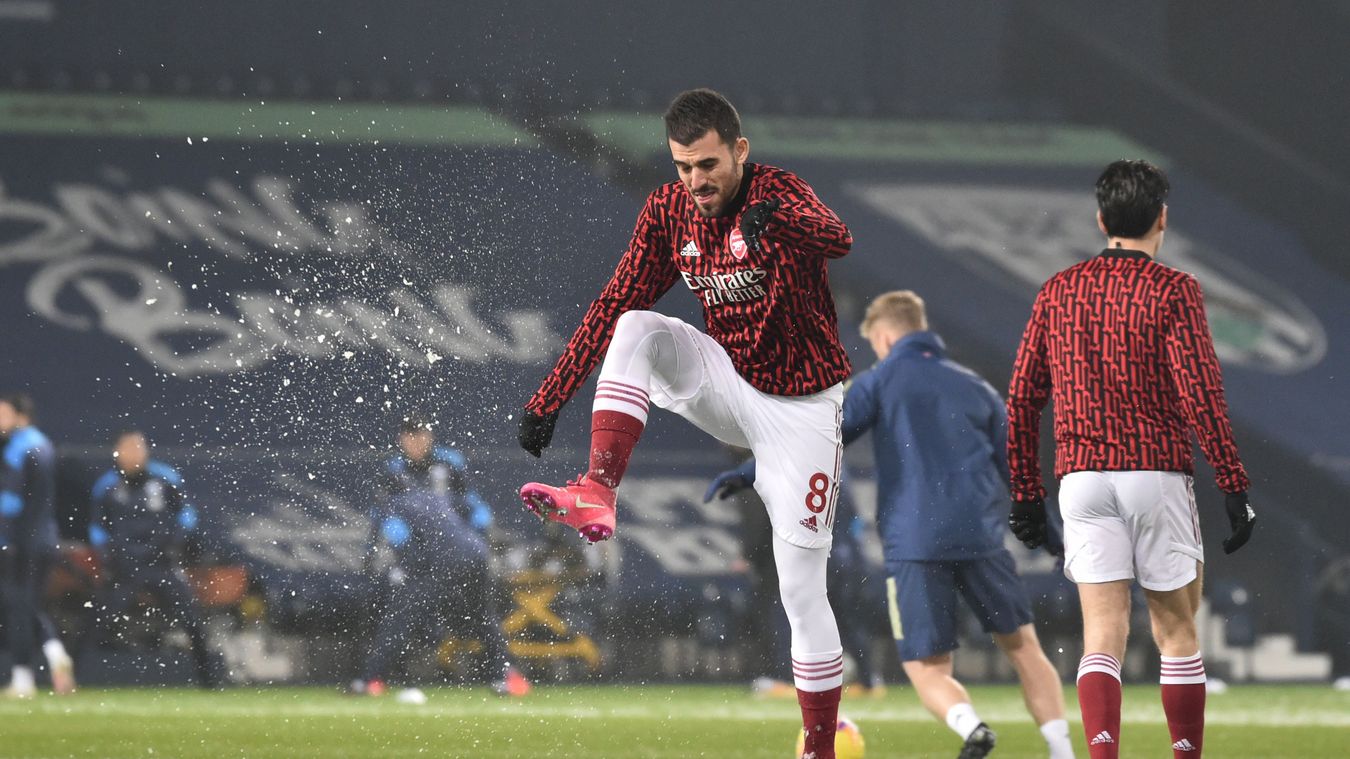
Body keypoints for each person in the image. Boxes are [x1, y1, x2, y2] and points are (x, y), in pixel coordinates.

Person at [517, 88, 853, 758]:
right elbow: (616, 296)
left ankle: (819, 743)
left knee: (798, 587)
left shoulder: (780, 193)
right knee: (637, 324)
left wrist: (776, 224)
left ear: (739, 152)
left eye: (708, 164)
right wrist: (550, 397)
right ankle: (597, 488)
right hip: (729, 383)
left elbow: (839, 237)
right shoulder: (670, 211)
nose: (697, 180)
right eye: (683, 166)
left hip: (804, 409)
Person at [711, 291, 1074, 759]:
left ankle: (972, 728)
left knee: (927, 667)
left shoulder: (880, 381)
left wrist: (747, 471)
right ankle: (1061, 749)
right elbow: (1020, 471)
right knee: (1025, 649)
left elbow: (818, 440)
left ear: (884, 336)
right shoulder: (977, 388)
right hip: (982, 538)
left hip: (915, 544)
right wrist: (1057, 538)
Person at [1007, 159, 1257, 759]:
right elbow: (1201, 392)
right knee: (1176, 632)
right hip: (1153, 473)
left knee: (1102, 635)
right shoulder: (1175, 290)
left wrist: (1024, 492)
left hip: (1082, 479)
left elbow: (1021, 397)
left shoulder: (1058, 290)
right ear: (1162, 218)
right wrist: (1232, 482)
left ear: (1100, 219)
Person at [353, 414, 528, 698]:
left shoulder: (448, 466)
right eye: (410, 436)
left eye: (420, 435)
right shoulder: (394, 474)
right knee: (402, 617)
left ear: (430, 437)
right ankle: (374, 678)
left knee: (479, 615)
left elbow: (473, 506)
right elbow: (384, 518)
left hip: (456, 556)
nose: (416, 442)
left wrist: (484, 536)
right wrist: (402, 550)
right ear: (401, 440)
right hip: (426, 559)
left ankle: (506, 675)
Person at [707, 457, 885, 700]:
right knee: (846, 619)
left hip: (815, 553)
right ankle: (870, 680)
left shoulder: (797, 460)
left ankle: (788, 679)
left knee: (788, 614)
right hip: (847, 555)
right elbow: (854, 517)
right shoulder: (838, 465)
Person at [88, 429, 220, 688]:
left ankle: (208, 681)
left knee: (191, 620)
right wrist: (109, 555)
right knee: (97, 619)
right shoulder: (107, 485)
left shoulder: (164, 477)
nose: (133, 454)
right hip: (126, 568)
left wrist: (175, 542)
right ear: (117, 452)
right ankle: (72, 677)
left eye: (138, 449)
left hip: (162, 564)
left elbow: (187, 515)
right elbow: (96, 527)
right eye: (127, 449)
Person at [0, 392, 76, 698]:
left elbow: (9, 502)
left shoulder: (18, 448)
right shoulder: (42, 443)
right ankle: (56, 652)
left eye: (2, 414)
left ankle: (22, 679)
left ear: (21, 417)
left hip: (21, 542)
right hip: (45, 539)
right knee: (27, 604)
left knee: (18, 607)